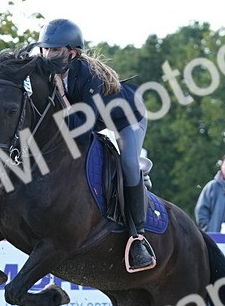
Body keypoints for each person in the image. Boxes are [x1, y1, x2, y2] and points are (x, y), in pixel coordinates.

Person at [29, 18, 155, 272]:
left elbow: (80, 130)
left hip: (127, 118)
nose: (48, 54)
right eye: (45, 49)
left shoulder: (87, 76)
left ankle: (138, 237)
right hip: (96, 117)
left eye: (55, 50)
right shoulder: (44, 66)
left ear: (71, 53)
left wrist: (62, 94)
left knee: (128, 163)